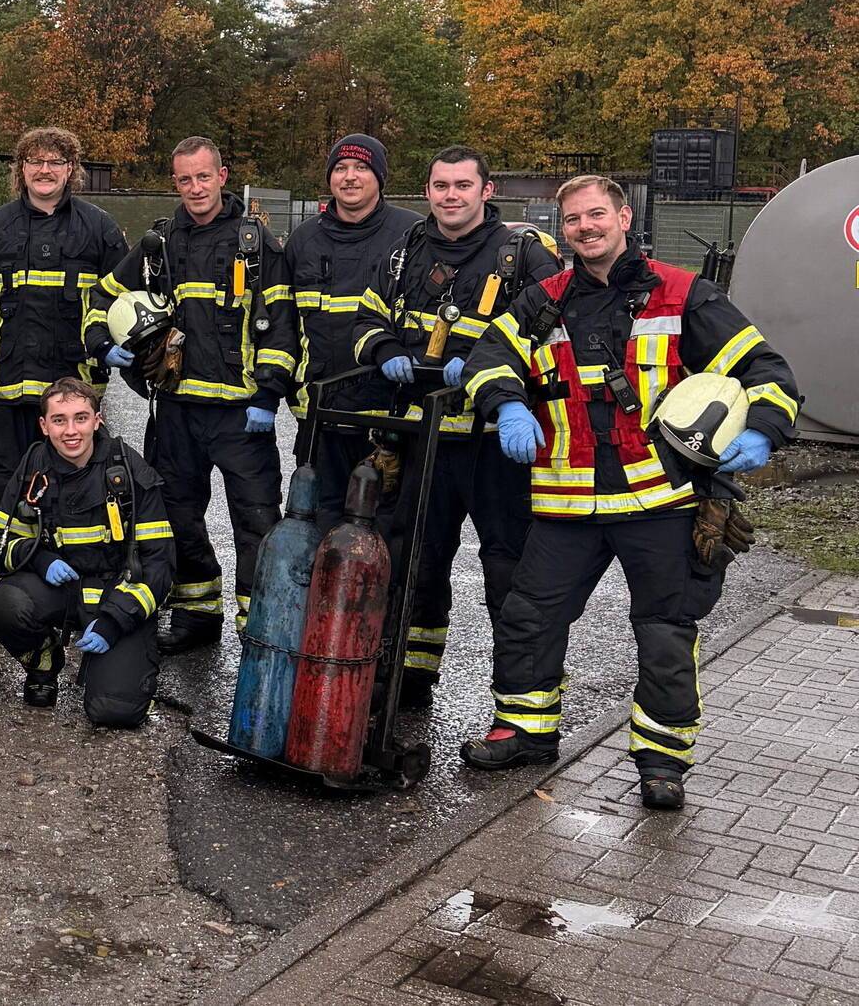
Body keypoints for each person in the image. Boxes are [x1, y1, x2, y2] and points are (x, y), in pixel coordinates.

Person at [456, 174, 799, 809]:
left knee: (666, 631)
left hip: (660, 501)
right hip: (566, 504)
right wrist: (507, 404)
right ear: (563, 230)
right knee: (528, 618)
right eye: (572, 220)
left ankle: (662, 760)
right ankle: (525, 731)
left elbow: (765, 370)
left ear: (622, 218)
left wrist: (763, 430)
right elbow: (487, 359)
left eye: (596, 216)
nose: (585, 228)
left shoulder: (684, 293)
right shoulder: (542, 299)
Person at [349, 146, 560, 706]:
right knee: (415, 562)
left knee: (507, 573)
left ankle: (520, 702)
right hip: (424, 439)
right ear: (427, 191)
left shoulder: (523, 257)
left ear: (486, 192)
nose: (451, 195)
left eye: (463, 185)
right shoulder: (407, 250)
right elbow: (366, 318)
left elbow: (555, 342)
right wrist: (387, 348)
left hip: (495, 443)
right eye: (441, 185)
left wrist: (497, 378)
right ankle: (411, 679)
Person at [96, 136, 298, 651]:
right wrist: (102, 343)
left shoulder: (256, 243)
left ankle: (260, 631)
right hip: (176, 410)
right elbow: (103, 297)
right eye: (184, 179)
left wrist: (268, 397)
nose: (195, 188)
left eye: (203, 177)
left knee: (255, 521)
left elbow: (282, 327)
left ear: (223, 176)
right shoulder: (160, 243)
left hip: (240, 415)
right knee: (177, 514)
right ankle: (197, 615)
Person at [0, 378, 174, 727]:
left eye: (80, 418)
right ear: (44, 425)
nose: (70, 431)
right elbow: (0, 545)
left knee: (114, 712)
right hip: (62, 591)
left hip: (117, 594)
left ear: (97, 420)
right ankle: (43, 662)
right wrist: (41, 559)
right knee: (4, 603)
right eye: (59, 420)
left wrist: (115, 622)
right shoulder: (33, 468)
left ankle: (119, 666)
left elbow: (158, 565)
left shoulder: (128, 471)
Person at [0, 127, 129, 521]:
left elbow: (120, 302)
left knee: (79, 483)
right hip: (9, 384)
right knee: (0, 483)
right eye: (35, 161)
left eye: (55, 161)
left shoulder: (100, 228)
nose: (45, 170)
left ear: (71, 168)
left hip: (73, 386)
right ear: (21, 169)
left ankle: (81, 561)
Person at [281, 134, 417, 532]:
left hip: (389, 416)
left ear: (379, 177)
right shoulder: (303, 239)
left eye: (361, 167)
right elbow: (284, 324)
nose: (350, 177)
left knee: (388, 530)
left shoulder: (411, 233)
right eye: (340, 168)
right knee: (318, 527)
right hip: (319, 414)